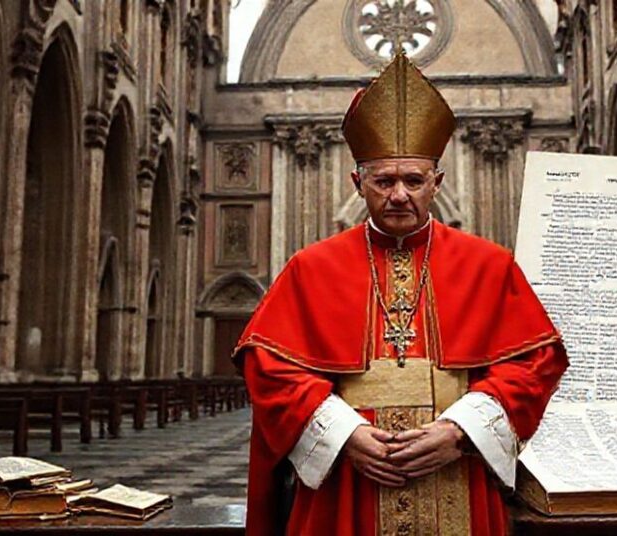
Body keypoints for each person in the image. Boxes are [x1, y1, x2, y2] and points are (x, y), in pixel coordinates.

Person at [234, 51, 568, 536]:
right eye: (383, 180)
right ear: (358, 183)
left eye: (413, 180)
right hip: (348, 481)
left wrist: (460, 432)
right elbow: (268, 367)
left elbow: (535, 363)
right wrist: (344, 435)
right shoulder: (311, 268)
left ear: (437, 183)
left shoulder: (489, 265)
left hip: (456, 471)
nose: (398, 195)